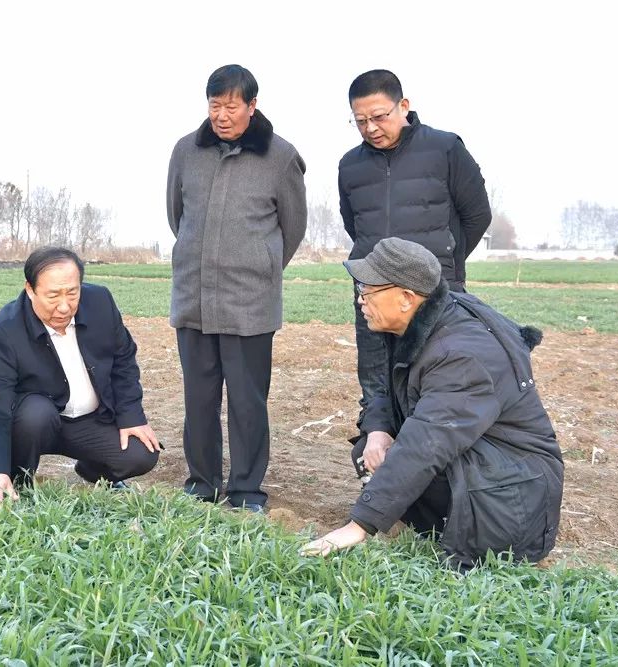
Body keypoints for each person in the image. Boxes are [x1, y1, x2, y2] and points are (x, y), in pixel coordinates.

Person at [302, 238, 563, 570]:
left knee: (409, 456)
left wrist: (359, 525)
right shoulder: (423, 320)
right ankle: (407, 520)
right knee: (371, 447)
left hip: (514, 502)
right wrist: (379, 430)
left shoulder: (461, 355)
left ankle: (434, 528)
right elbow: (385, 385)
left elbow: (426, 445)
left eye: (368, 291)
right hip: (491, 468)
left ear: (406, 298)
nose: (360, 299)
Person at [166, 64, 307, 512]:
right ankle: (201, 483)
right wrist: (200, 257)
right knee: (199, 400)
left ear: (252, 105)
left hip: (250, 303)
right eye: (215, 105)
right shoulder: (186, 151)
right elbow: (177, 216)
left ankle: (246, 490)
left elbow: (293, 227)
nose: (222, 115)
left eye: (231, 105)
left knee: (247, 403)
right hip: (194, 299)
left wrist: (260, 265)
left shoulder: (279, 157)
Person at [339, 69, 492, 425]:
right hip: (374, 294)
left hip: (435, 292)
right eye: (360, 120)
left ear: (403, 106)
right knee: (379, 387)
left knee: (438, 382)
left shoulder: (445, 148)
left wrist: (441, 263)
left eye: (379, 117)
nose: (371, 127)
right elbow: (355, 224)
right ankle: (379, 465)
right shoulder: (350, 165)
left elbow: (477, 215)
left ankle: (435, 472)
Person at [0, 246, 161, 505]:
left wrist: (131, 417)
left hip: (89, 422)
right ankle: (16, 480)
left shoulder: (100, 302)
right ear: (30, 289)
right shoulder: (5, 330)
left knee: (141, 453)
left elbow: (123, 360)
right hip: (34, 423)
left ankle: (94, 469)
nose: (64, 306)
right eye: (52, 296)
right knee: (35, 414)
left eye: (72, 293)